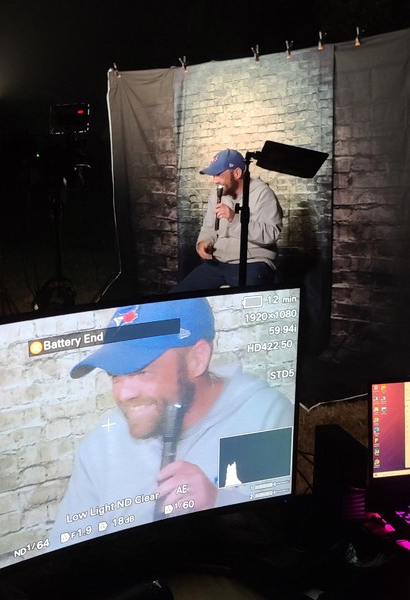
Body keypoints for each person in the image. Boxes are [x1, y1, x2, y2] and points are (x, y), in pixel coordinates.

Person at [49, 297, 293, 550]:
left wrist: (217, 502)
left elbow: (277, 539)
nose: (124, 394)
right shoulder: (102, 442)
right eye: (115, 376)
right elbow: (65, 549)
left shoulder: (260, 417)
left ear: (197, 359)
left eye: (141, 372)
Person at [173, 149, 283, 292]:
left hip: (253, 262)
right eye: (213, 175)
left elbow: (270, 234)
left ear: (237, 173)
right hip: (219, 262)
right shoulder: (217, 195)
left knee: (246, 299)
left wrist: (234, 218)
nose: (215, 181)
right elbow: (209, 228)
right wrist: (203, 243)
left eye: (219, 174)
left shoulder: (262, 193)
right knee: (179, 295)